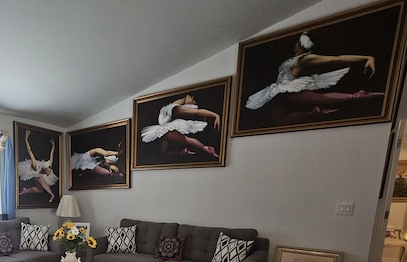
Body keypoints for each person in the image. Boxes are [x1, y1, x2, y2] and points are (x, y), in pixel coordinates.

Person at [245, 31, 383, 124]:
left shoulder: (306, 58)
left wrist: (367, 57)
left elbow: (337, 59)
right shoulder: (293, 59)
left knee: (323, 99)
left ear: (298, 44)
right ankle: (316, 112)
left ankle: (355, 96)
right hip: (279, 88)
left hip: (286, 88)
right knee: (280, 119)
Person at [141, 95, 221, 158]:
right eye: (192, 99)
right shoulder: (175, 105)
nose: (192, 98)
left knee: (186, 140)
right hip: (163, 127)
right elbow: (187, 100)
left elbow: (198, 112)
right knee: (162, 154)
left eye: (193, 100)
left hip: (165, 127)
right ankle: (182, 152)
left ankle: (207, 149)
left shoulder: (177, 108)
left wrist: (216, 115)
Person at [18, 129, 58, 202]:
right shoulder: (35, 165)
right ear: (45, 169)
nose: (49, 172)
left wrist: (53, 145)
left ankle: (25, 191)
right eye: (48, 171)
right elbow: (29, 151)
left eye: (49, 171)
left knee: (40, 190)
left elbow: (51, 155)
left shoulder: (48, 165)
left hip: (39, 175)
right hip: (32, 173)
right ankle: (52, 194)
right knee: (40, 179)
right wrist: (26, 139)